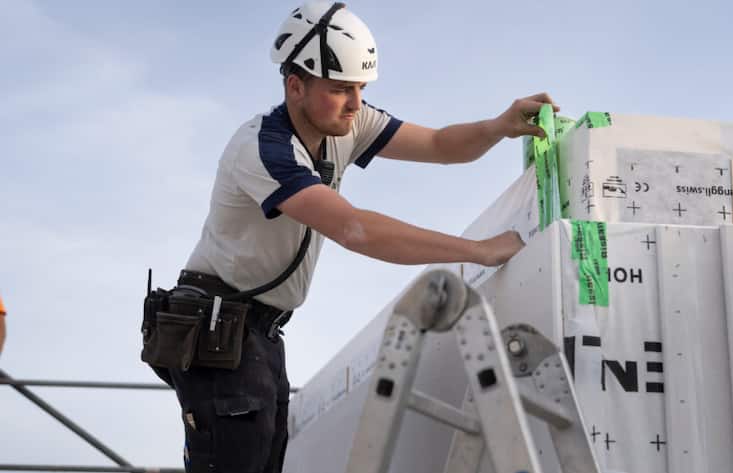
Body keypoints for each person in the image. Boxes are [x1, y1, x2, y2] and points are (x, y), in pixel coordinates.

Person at [154, 2, 558, 472]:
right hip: (218, 328)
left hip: (259, 333)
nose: (356, 103)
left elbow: (439, 146)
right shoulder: (263, 149)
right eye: (342, 89)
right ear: (295, 85)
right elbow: (354, 228)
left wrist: (497, 126)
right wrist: (478, 251)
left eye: (361, 88)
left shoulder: (349, 123)